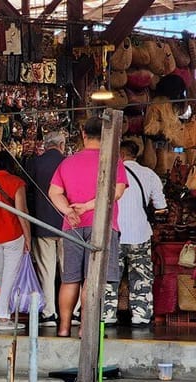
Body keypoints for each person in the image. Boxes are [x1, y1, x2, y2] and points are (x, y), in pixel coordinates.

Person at [49, 117, 128, 338]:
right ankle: (85, 327)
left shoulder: (67, 162)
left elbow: (54, 192)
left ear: (83, 135)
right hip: (101, 225)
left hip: (72, 227)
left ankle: (64, 328)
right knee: (92, 279)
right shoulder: (113, 161)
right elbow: (116, 192)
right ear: (106, 137)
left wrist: (69, 211)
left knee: (70, 278)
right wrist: (87, 207)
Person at [103, 139, 167, 327]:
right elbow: (161, 207)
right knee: (141, 276)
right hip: (140, 234)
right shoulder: (149, 175)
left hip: (113, 234)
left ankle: (107, 315)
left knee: (110, 276)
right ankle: (141, 316)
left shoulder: (110, 174)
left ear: (120, 155)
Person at [0, 151, 32, 331]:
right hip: (12, 235)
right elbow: (22, 212)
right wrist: (28, 238)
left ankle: (5, 313)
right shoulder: (16, 183)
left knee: (4, 275)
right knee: (9, 277)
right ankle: (3, 318)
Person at [28, 130, 67, 326]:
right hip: (68, 225)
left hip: (42, 224)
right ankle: (73, 313)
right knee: (69, 271)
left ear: (46, 145)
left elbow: (29, 194)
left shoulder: (35, 163)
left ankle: (49, 313)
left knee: (46, 270)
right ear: (61, 145)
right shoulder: (68, 163)